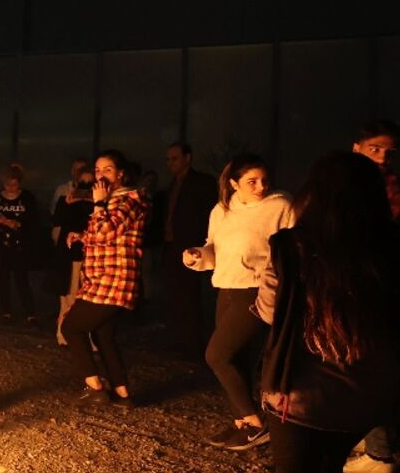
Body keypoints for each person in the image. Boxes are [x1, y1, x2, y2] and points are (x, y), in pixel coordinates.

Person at [254, 152, 400, 473]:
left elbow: (270, 310)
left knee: (291, 465)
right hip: (372, 388)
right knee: (326, 461)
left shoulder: (293, 245)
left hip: (304, 386)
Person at [183, 154, 294, 450]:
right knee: (238, 359)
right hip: (227, 288)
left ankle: (256, 424)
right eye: (252, 181)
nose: (260, 186)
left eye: (264, 180)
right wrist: (198, 254)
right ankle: (243, 424)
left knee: (217, 355)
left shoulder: (281, 206)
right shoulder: (222, 210)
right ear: (234, 184)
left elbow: (292, 250)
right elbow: (213, 246)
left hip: (256, 290)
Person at [342, 121, 400, 473]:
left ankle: (378, 452)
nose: (383, 157)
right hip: (367, 284)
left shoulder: (383, 187)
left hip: (373, 288)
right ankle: (369, 439)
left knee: (367, 364)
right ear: (357, 146)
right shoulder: (355, 183)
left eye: (389, 152)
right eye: (375, 148)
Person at [62, 150, 149, 408]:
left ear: (120, 173)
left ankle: (95, 388)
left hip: (114, 281)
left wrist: (98, 204)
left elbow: (105, 232)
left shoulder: (131, 200)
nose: (100, 175)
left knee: (71, 328)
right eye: (98, 170)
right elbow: (105, 236)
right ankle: (122, 394)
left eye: (107, 170)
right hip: (102, 279)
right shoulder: (112, 201)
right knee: (103, 336)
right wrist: (81, 236)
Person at [158, 142, 218, 359]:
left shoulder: (201, 183)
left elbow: (209, 215)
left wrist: (202, 245)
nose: (170, 163)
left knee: (189, 297)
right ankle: (181, 339)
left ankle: (193, 343)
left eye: (174, 158)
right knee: (176, 295)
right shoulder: (172, 185)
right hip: (172, 246)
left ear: (187, 158)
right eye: (168, 159)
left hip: (191, 247)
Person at [48, 170, 94, 345]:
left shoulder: (97, 202)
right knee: (67, 297)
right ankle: (63, 335)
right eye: (82, 184)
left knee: (86, 299)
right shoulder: (65, 201)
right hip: (68, 256)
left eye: (89, 184)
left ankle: (85, 337)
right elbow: (57, 220)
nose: (85, 189)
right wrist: (67, 202)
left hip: (87, 255)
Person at [0, 163, 39, 324]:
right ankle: (5, 311)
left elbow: (34, 220)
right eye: (7, 184)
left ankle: (30, 312)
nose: (11, 188)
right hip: (1, 245)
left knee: (22, 279)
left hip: (20, 245)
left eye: (14, 184)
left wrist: (18, 224)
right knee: (3, 279)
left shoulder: (27, 198)